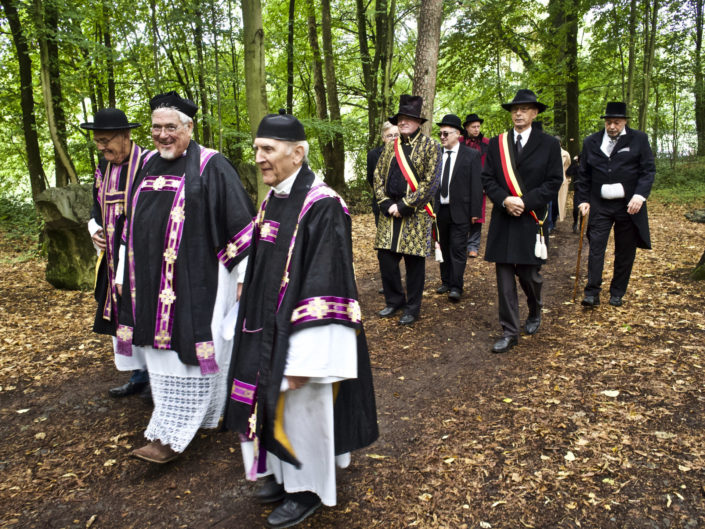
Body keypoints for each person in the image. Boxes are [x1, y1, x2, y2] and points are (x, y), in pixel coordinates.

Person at [223, 110, 378, 528]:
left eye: (268, 149)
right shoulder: (274, 197)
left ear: (298, 153)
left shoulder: (323, 205)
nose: (259, 157)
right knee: (267, 405)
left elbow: (327, 281)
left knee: (300, 409)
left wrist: (303, 360)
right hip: (264, 328)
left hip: (303, 338)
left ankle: (306, 488)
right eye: (256, 149)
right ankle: (280, 473)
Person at [115, 91, 255, 463]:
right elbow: (132, 225)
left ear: (189, 128)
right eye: (156, 128)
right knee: (162, 360)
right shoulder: (147, 167)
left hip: (201, 283)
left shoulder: (213, 165)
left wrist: (244, 275)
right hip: (149, 284)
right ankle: (181, 419)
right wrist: (120, 272)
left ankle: (173, 434)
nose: (162, 135)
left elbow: (241, 224)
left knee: (193, 356)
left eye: (170, 128)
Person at [481, 89, 563, 353]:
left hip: (531, 217)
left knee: (529, 275)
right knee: (504, 277)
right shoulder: (497, 143)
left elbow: (554, 182)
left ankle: (535, 308)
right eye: (515, 109)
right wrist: (505, 200)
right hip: (504, 217)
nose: (518, 113)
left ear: (535, 113)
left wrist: (524, 202)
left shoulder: (549, 144)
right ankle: (510, 331)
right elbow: (487, 178)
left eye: (525, 109)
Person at [80, 108, 150, 401]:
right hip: (111, 261)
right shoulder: (103, 167)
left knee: (145, 315)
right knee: (120, 316)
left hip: (142, 258)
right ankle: (138, 375)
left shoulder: (148, 164)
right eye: (97, 141)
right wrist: (94, 228)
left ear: (126, 136)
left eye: (106, 140)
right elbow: (96, 207)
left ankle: (156, 378)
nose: (101, 147)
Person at [576, 101, 655, 308]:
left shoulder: (639, 139)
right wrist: (582, 200)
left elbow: (648, 170)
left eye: (617, 122)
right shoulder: (591, 141)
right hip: (599, 205)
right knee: (596, 248)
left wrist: (640, 195)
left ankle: (617, 292)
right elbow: (583, 175)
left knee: (625, 249)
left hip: (629, 206)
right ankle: (592, 292)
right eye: (609, 122)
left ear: (625, 122)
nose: (612, 127)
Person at [373, 94, 442, 325]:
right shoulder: (391, 146)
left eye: (409, 118)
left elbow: (431, 182)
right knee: (386, 258)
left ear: (418, 122)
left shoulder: (431, 146)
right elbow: (377, 176)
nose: (403, 122)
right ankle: (394, 301)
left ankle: (412, 308)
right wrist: (385, 203)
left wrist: (404, 206)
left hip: (415, 213)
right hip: (388, 212)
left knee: (414, 264)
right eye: (401, 118)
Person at [434, 114, 482, 301]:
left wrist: (475, 212)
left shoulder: (471, 155)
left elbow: (476, 186)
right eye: (440, 133)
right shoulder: (436, 154)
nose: (442, 137)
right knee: (443, 247)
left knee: (458, 248)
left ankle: (456, 286)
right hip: (440, 210)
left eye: (446, 133)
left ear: (457, 134)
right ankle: (445, 281)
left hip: (461, 211)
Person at [463, 113, 489, 258]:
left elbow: (491, 164)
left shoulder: (486, 143)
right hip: (462, 183)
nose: (476, 129)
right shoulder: (459, 141)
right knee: (462, 213)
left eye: (478, 126)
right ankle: (461, 242)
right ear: (466, 127)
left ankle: (473, 245)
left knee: (477, 215)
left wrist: (487, 183)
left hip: (480, 184)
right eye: (473, 126)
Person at [367, 121, 399, 226]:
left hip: (402, 205)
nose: (393, 138)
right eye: (389, 135)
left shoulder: (408, 153)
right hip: (381, 205)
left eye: (396, 135)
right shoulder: (373, 155)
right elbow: (371, 179)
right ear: (383, 138)